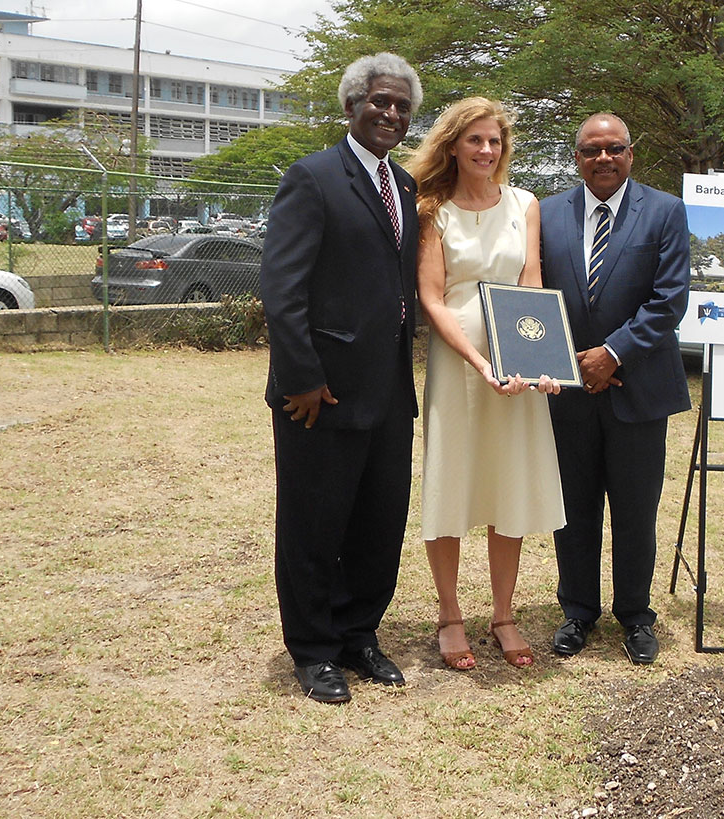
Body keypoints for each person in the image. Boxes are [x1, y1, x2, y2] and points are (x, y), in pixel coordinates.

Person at [260, 53, 422, 703]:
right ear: (351, 105)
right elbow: (282, 287)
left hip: (387, 391)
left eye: (402, 106)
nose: (390, 113)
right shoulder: (313, 178)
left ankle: (359, 635)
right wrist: (300, 375)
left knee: (378, 523)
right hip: (319, 395)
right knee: (313, 525)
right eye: (379, 101)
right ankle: (314, 648)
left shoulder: (404, 186)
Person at [409, 97, 566, 670]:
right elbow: (432, 297)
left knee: (510, 486)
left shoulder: (527, 205)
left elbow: (532, 286)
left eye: (494, 141)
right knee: (451, 484)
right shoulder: (432, 209)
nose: (486, 150)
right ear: (453, 145)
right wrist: (479, 362)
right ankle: (450, 615)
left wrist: (542, 358)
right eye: (474, 139)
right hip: (460, 370)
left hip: (518, 372)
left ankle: (503, 614)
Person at [539, 113, 691, 665]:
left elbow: (669, 300)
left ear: (632, 152)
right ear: (575, 157)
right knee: (573, 508)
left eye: (615, 148)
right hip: (568, 389)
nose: (603, 158)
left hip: (638, 388)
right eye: (591, 150)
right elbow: (534, 294)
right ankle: (577, 611)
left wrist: (613, 353)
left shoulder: (666, 211)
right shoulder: (547, 212)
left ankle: (635, 615)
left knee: (635, 510)